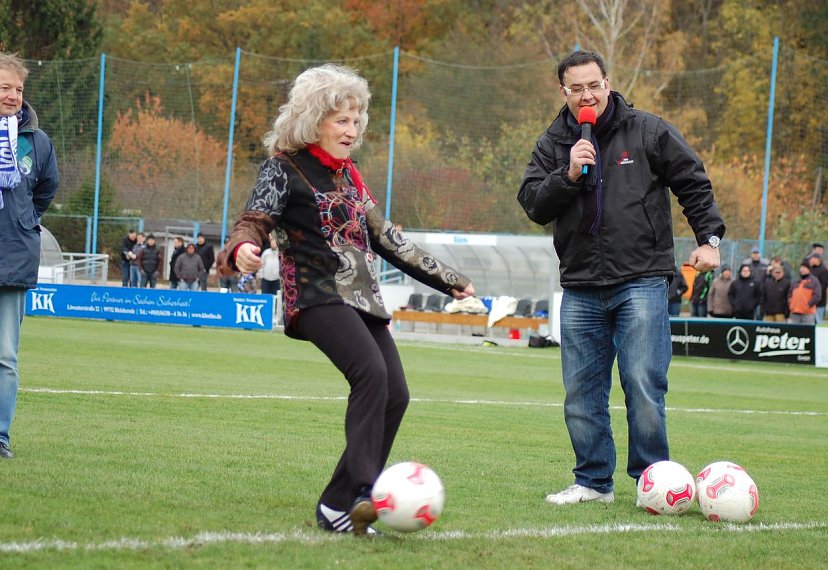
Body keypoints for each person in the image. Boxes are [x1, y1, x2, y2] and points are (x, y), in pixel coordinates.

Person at [219, 64, 475, 535]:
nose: (352, 131)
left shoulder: (352, 177)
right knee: (370, 374)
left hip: (364, 301)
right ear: (314, 119)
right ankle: (361, 492)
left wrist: (450, 280)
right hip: (314, 296)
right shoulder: (284, 167)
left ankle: (341, 504)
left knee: (396, 392)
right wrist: (243, 250)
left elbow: (389, 239)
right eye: (342, 120)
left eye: (357, 121)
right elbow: (253, 221)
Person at [517, 50, 724, 506]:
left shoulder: (647, 130)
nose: (587, 95)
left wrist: (709, 238)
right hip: (580, 286)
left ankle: (655, 485)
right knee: (581, 392)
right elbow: (533, 203)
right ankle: (593, 483)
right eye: (577, 88)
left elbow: (692, 180)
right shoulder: (552, 143)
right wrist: (567, 173)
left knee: (643, 383)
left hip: (642, 279)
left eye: (594, 85)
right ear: (563, 92)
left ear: (607, 83)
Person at [0, 53, 59, 459]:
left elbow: (47, 190)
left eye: (18, 89)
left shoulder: (37, 142)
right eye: (4, 87)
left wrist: (24, 221)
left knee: (5, 357)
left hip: (13, 261)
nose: (13, 96)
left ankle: (0, 438)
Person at [788, 261, 821, 325]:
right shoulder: (795, 280)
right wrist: (791, 304)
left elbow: (817, 296)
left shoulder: (814, 281)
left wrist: (808, 305)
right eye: (801, 267)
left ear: (809, 269)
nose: (802, 269)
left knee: (807, 333)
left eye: (804, 267)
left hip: (807, 313)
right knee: (794, 333)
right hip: (795, 312)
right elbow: (790, 294)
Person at [807, 253, 828, 323]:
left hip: (819, 302)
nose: (810, 260)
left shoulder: (824, 270)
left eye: (811, 259)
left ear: (817, 259)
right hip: (809, 301)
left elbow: (824, 286)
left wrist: (815, 293)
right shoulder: (810, 269)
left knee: (818, 321)